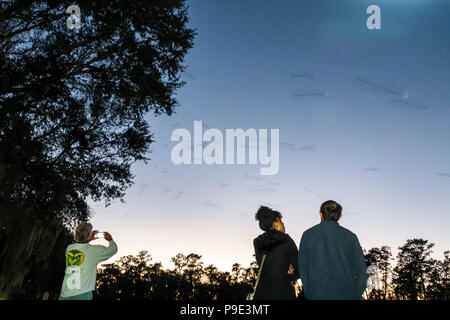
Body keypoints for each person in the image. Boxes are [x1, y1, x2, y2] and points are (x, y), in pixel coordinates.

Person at [298, 200, 368, 300]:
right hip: (347, 294)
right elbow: (362, 270)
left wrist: (310, 292)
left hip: (317, 294)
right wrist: (356, 293)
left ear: (320, 213)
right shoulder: (350, 236)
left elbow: (303, 268)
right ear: (339, 215)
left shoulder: (308, 235)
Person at [58, 222, 118, 300]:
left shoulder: (69, 248)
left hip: (65, 293)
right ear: (89, 234)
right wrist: (110, 239)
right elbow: (113, 249)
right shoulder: (95, 250)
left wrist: (88, 239)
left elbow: (81, 247)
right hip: (83, 293)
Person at [253, 206, 299, 300]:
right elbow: (298, 266)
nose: (284, 224)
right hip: (283, 291)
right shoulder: (287, 240)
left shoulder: (257, 242)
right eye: (281, 221)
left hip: (262, 293)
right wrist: (292, 274)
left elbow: (263, 265)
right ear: (276, 222)